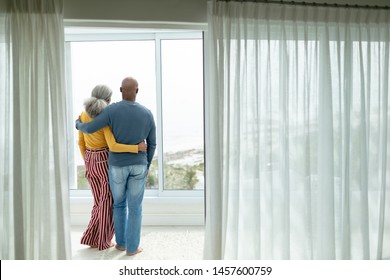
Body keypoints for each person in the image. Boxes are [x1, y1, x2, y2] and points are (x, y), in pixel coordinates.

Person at [76, 77, 157, 256]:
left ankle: (120, 244)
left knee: (119, 204)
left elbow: (89, 129)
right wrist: (147, 163)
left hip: (116, 166)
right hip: (138, 165)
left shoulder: (111, 110)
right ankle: (132, 248)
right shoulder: (147, 113)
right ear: (137, 90)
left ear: (121, 90)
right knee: (135, 207)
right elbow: (152, 144)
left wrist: (78, 124)